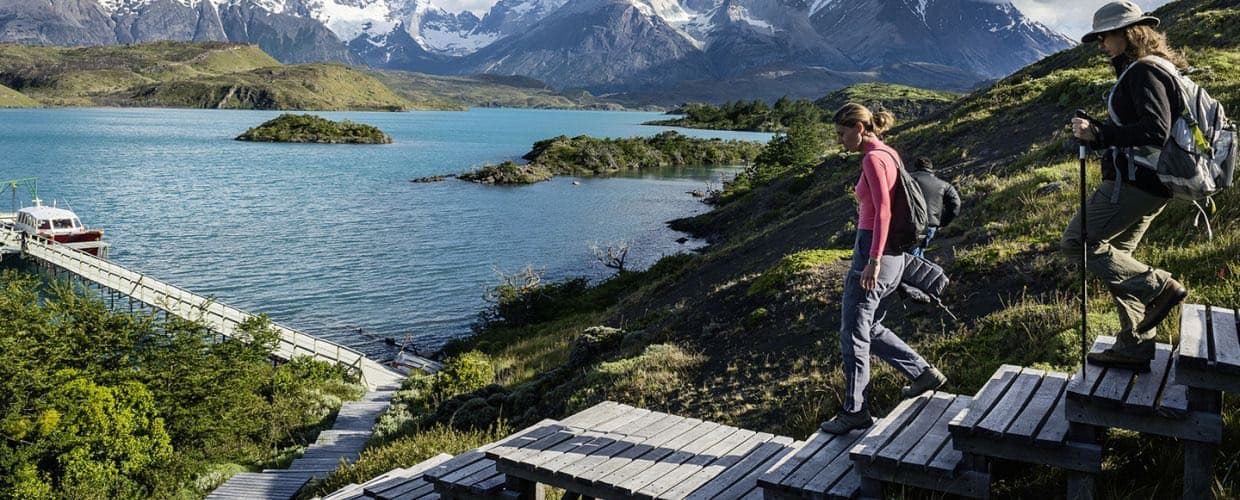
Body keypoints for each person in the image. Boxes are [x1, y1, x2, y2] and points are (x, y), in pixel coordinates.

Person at [1067, 0, 1188, 371]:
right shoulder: (1152, 69)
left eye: (1105, 36)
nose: (1101, 43)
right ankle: (1135, 345)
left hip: (1134, 182)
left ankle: (1161, 288)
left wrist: (1099, 134)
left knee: (1078, 241)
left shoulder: (1142, 73)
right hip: (1153, 184)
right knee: (1118, 257)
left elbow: (1154, 130)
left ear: (1128, 33)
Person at [820, 103, 946, 435]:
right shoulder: (889, 152)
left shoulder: (873, 158)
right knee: (870, 327)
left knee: (853, 333)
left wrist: (872, 261)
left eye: (842, 133)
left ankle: (855, 411)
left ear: (859, 128)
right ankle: (922, 373)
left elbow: (885, 212)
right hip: (894, 255)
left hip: (876, 252)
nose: (840, 140)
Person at [908, 157, 960, 257]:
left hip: (908, 224)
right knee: (917, 251)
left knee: (911, 256)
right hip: (929, 226)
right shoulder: (944, 185)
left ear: (915, 167)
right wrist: (941, 222)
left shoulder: (907, 180)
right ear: (931, 169)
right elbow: (956, 205)